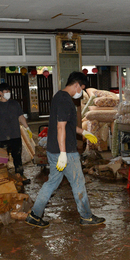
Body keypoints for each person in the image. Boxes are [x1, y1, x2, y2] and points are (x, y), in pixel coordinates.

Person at [25, 72, 105, 228]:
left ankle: (34, 215)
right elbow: (60, 127)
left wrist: (83, 132)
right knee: (78, 183)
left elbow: (66, 125)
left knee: (52, 183)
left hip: (54, 149)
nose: (81, 92)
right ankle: (86, 217)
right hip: (65, 151)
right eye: (81, 88)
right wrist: (63, 154)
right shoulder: (65, 101)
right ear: (76, 85)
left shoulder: (59, 96)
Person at [0, 82, 32, 176]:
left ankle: (20, 176)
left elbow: (20, 116)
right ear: (0, 93)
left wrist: (27, 128)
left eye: (9, 90)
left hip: (15, 135)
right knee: (3, 159)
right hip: (2, 137)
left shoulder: (15, 104)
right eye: (6, 91)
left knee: (17, 158)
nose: (8, 92)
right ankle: (3, 177)